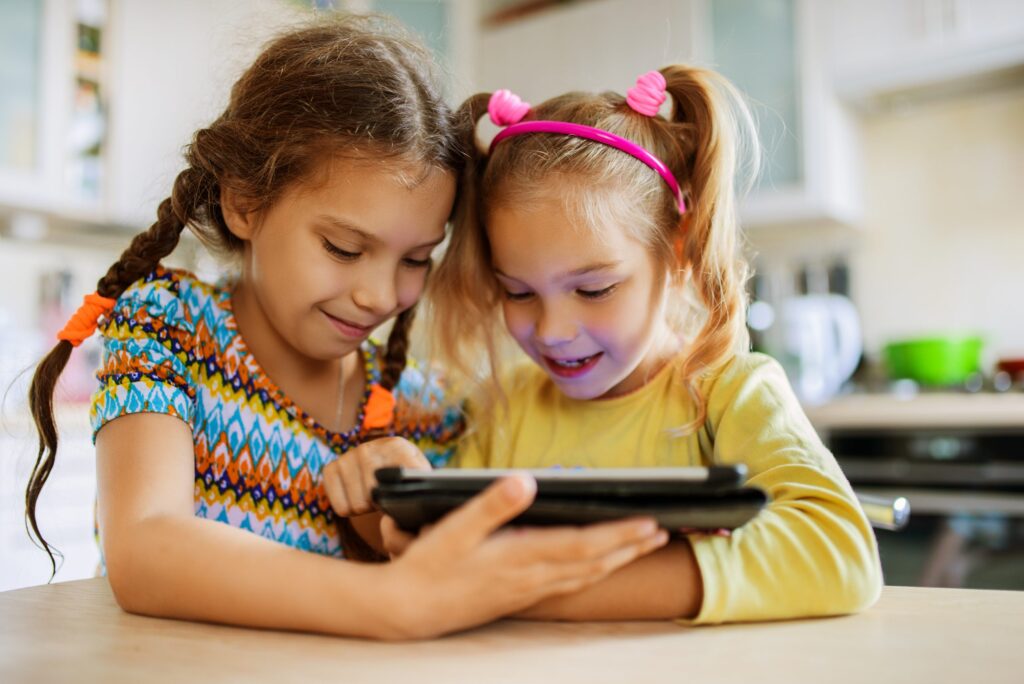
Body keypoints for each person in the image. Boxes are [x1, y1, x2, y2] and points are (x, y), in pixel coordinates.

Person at [23, 16, 668, 641]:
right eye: (342, 247)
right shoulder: (171, 327)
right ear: (244, 202)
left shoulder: (425, 412)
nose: (379, 294)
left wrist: (403, 524)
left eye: (416, 259)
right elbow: (147, 549)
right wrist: (393, 601)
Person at [333, 67, 883, 624]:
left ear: (676, 253)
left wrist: (543, 590)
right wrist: (384, 495)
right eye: (518, 292)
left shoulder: (729, 392)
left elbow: (841, 552)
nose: (551, 331)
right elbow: (442, 562)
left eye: (594, 289)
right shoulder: (508, 407)